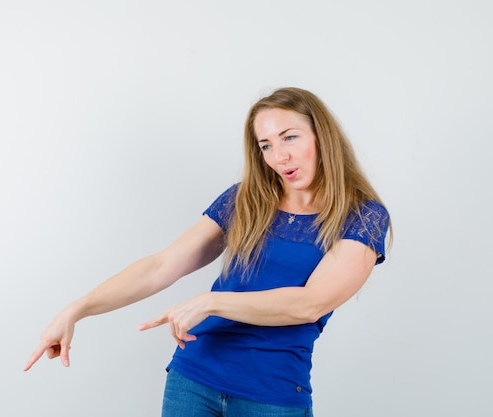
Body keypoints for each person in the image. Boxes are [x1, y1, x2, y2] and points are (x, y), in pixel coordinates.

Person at [23, 87, 392, 417]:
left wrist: (211, 302)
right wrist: (77, 309)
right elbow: (160, 266)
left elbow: (309, 303)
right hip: (193, 382)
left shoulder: (363, 218)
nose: (279, 156)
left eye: (289, 137)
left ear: (321, 136)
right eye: (265, 145)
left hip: (272, 395)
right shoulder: (247, 199)